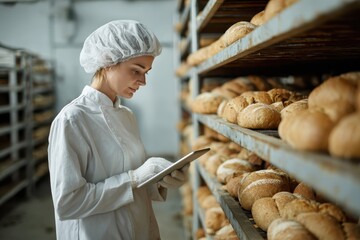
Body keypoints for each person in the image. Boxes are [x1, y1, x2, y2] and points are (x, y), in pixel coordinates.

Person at [48, 20, 189, 240]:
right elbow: (68, 203)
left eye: (146, 72)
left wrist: (160, 180)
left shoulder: (127, 116)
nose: (143, 81)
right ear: (107, 62)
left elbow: (132, 179)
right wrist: (133, 179)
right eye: (136, 70)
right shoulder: (73, 119)